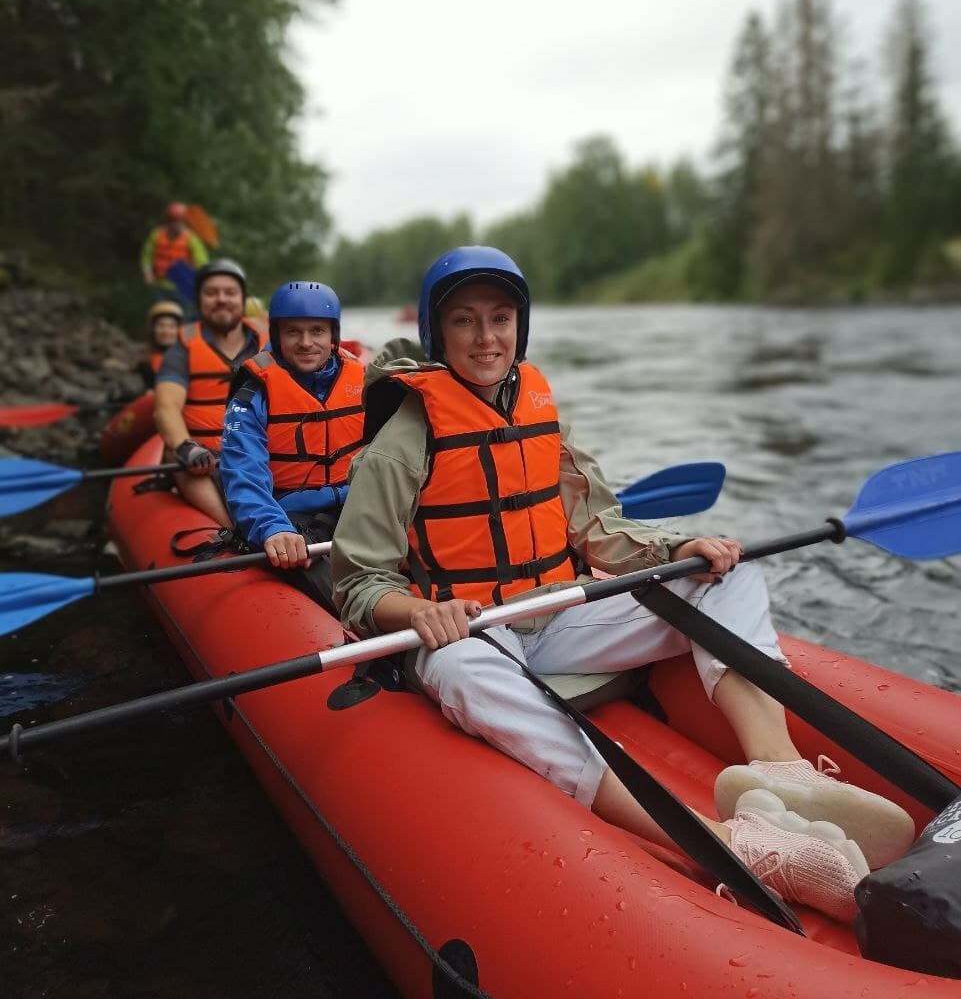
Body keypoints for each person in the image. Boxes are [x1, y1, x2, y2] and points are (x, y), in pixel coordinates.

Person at [332, 246, 915, 924]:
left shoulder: (542, 413)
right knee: (459, 672)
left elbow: (597, 530)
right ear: (438, 333)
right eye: (464, 321)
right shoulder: (403, 441)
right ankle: (726, 842)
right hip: (478, 634)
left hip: (557, 617)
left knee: (727, 573)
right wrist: (418, 610)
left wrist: (678, 548)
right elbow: (358, 581)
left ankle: (780, 768)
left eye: (500, 318)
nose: (486, 337)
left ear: (521, 325)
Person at [220, 281, 365, 598]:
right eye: (292, 332)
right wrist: (274, 528)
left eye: (317, 331)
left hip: (358, 504)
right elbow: (244, 472)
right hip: (291, 514)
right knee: (331, 584)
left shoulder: (363, 379)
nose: (306, 342)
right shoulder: (253, 393)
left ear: (333, 336)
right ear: (276, 335)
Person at [154, 258, 265, 525]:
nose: (221, 299)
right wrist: (186, 447)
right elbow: (166, 407)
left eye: (230, 292)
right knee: (176, 454)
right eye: (211, 293)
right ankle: (232, 527)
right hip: (204, 460)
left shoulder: (269, 341)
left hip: (261, 454)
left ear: (242, 299)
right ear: (199, 300)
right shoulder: (183, 347)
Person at [140, 202, 208, 305]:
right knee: (162, 315)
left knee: (183, 316)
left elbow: (201, 264)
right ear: (167, 221)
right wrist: (148, 274)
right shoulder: (156, 235)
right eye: (172, 220)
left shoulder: (192, 239)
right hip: (160, 284)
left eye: (179, 221)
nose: (175, 224)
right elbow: (146, 256)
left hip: (182, 287)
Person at [139, 301, 184, 388]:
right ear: (153, 329)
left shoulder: (189, 360)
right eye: (160, 325)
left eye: (172, 327)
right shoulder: (144, 364)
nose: (165, 331)